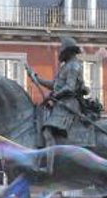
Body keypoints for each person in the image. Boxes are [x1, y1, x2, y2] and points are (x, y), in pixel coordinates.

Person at [25, 37, 86, 175]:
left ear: (68, 52)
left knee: (47, 131)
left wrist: (54, 96)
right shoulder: (66, 67)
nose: (60, 53)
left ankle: (49, 167)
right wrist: (37, 78)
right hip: (61, 104)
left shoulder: (74, 66)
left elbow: (69, 88)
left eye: (62, 50)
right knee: (39, 120)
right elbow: (55, 85)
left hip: (69, 104)